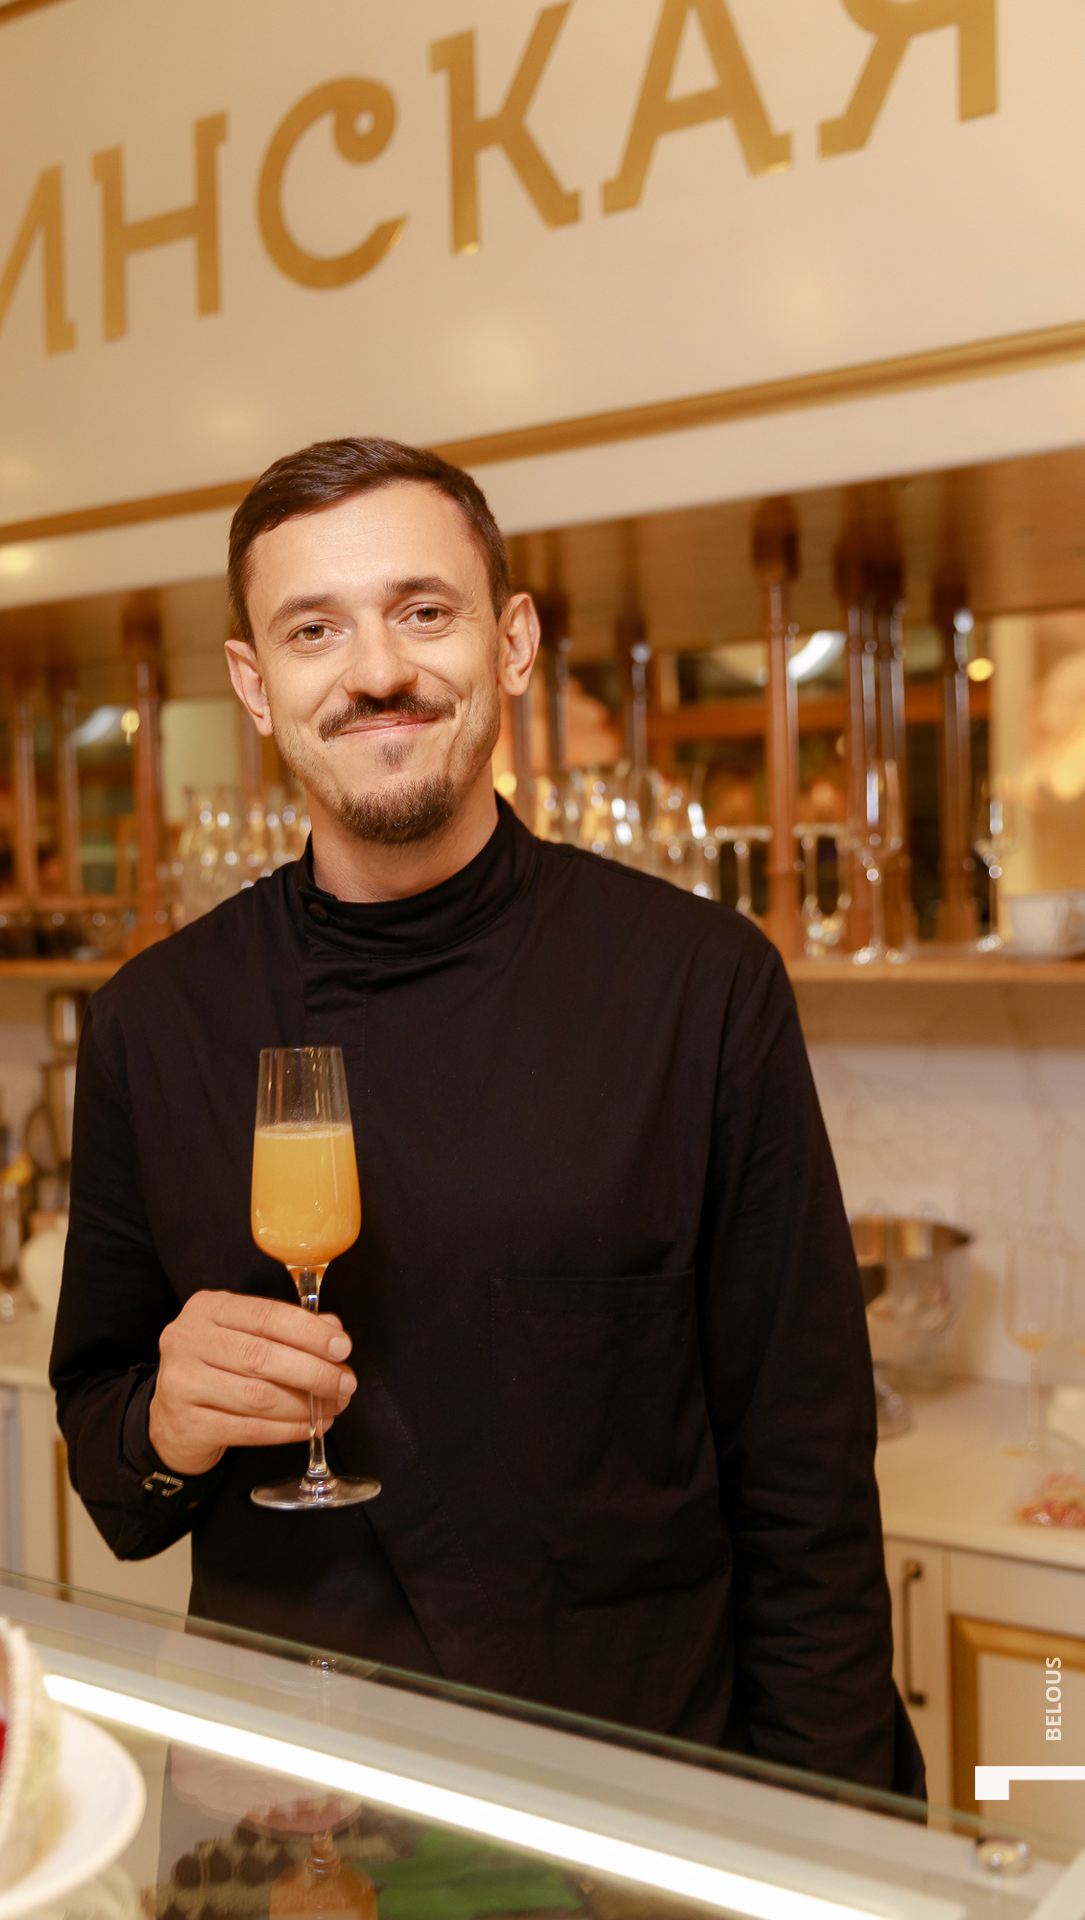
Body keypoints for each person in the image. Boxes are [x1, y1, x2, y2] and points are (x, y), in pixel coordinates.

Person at [51, 437, 923, 1796]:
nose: (375, 670)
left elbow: (803, 1471)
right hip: (298, 1802)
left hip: (629, 1790)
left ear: (511, 644)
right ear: (256, 686)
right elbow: (110, 1462)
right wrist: (168, 1418)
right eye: (312, 630)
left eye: (423, 611)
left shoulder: (696, 985)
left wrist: (834, 1831)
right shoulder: (156, 1024)